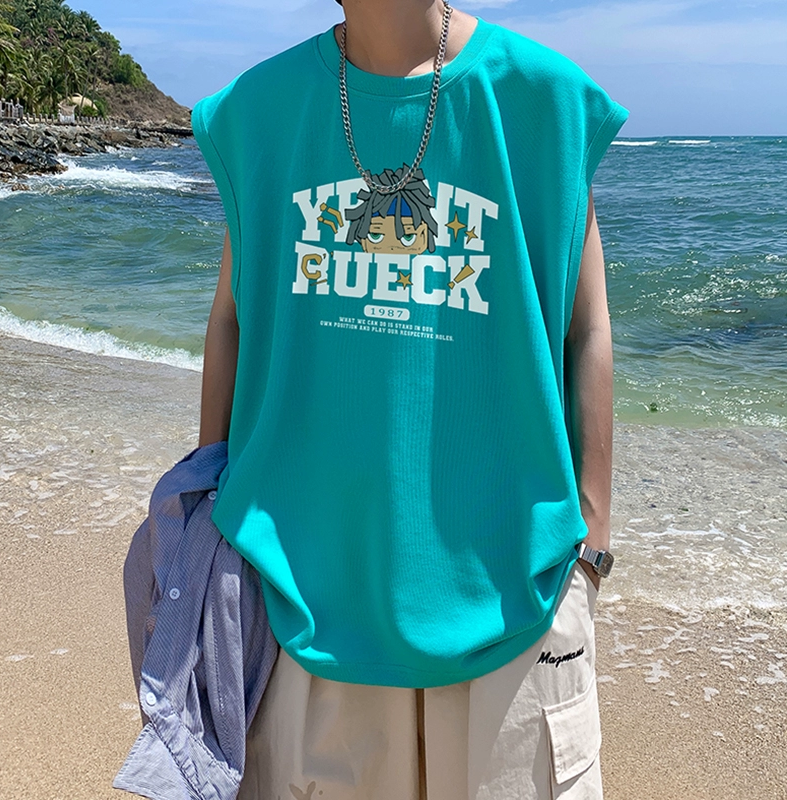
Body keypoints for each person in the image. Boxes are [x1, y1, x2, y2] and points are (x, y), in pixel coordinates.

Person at [192, 0, 628, 797]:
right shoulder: (259, 109)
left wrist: (591, 537)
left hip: (517, 590)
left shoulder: (544, 97)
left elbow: (587, 324)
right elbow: (230, 317)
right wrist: (206, 512)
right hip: (299, 587)